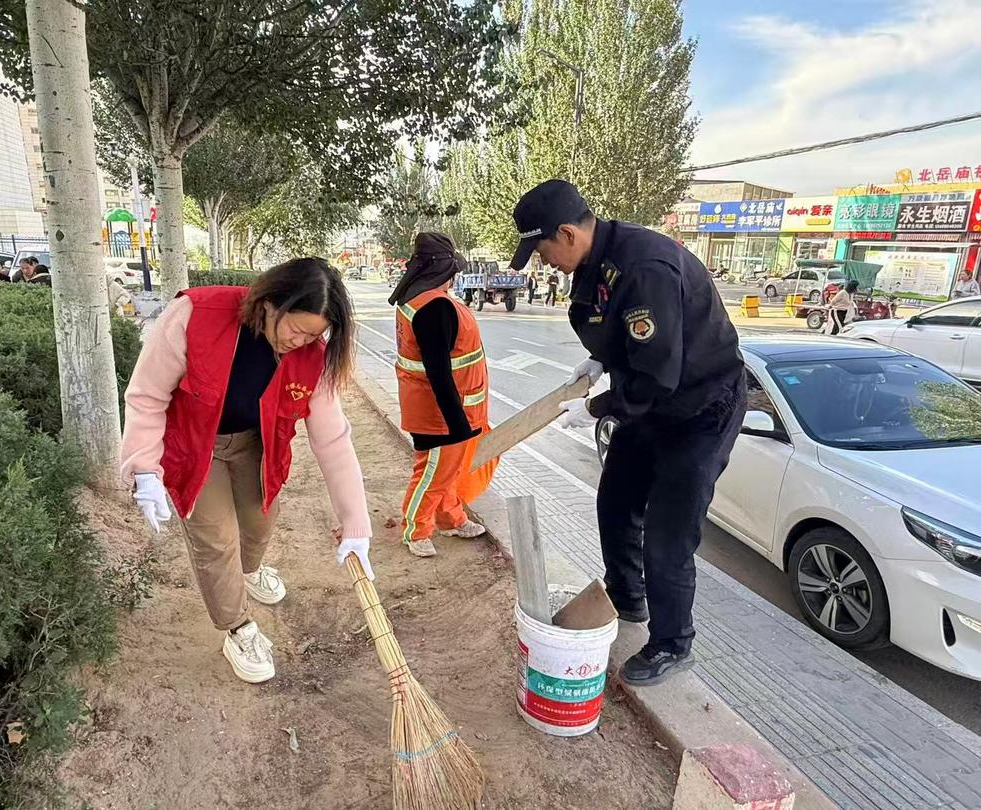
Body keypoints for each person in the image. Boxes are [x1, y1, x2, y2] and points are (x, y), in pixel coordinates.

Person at [509, 179, 745, 686]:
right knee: (616, 500)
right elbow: (616, 328)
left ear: (567, 234)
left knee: (667, 533)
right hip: (650, 404)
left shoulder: (645, 267)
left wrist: (595, 408)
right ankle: (626, 595)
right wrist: (601, 359)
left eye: (543, 251)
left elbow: (658, 374)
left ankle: (672, 643)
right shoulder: (597, 262)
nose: (544, 263)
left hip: (701, 409)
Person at [119, 258, 374, 684]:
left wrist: (355, 523)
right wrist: (144, 469)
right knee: (216, 540)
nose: (301, 342)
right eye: (297, 329)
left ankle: (250, 570)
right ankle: (238, 628)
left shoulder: (311, 357)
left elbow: (332, 440)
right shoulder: (196, 315)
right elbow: (147, 395)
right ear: (271, 303)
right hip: (197, 447)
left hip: (256, 444)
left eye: (315, 335)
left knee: (260, 521)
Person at [389, 232, 497, 558]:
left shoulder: (422, 299)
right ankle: (416, 530)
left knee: (447, 471)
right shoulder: (434, 307)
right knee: (433, 474)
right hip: (441, 413)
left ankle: (451, 518)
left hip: (446, 408)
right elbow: (438, 372)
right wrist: (456, 422)